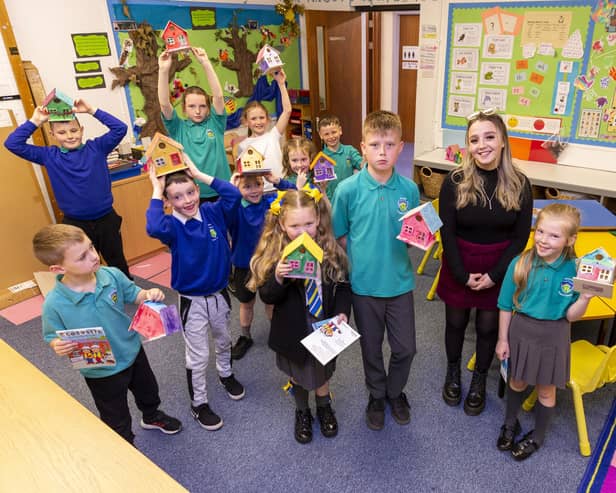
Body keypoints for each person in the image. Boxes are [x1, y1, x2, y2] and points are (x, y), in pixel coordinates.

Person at [34, 224, 181, 444]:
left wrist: (148, 293)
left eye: (91, 247)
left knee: (148, 391)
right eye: (82, 256)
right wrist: (57, 344)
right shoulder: (54, 304)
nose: (93, 256)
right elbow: (51, 335)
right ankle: (124, 444)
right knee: (115, 415)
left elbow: (134, 293)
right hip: (100, 370)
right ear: (58, 269)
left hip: (131, 350)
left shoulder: (110, 275)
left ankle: (151, 416)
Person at [437, 110, 533, 416]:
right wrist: (462, 274)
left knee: (488, 326)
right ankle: (453, 371)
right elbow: (446, 231)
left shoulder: (521, 183)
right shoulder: (454, 181)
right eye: (474, 139)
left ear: (503, 140)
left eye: (489, 137)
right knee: (455, 322)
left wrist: (495, 275)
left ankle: (479, 378)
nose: (482, 145)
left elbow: (520, 239)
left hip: (499, 264)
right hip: (459, 262)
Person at [332, 110, 420, 431]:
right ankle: (376, 395)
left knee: (405, 348)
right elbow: (340, 236)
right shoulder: (347, 190)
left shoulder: (409, 190)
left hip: (399, 284)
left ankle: (395, 392)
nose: (382, 152)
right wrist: (359, 263)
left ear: (401, 147)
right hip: (364, 286)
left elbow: (414, 234)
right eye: (375, 144)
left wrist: (421, 238)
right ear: (363, 147)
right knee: (371, 348)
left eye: (389, 144)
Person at [146, 157, 244, 431]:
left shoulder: (213, 212)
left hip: (220, 294)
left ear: (198, 191)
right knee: (198, 355)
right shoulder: (171, 226)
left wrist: (200, 174)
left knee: (224, 340)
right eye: (177, 197)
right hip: (193, 302)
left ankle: (226, 374)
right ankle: (198, 403)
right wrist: (156, 189)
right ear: (168, 202)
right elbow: (152, 227)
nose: (187, 200)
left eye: (190, 192)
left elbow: (234, 194)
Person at [248, 188, 351, 444]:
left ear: (318, 220)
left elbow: (343, 286)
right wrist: (280, 277)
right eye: (295, 225)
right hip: (293, 330)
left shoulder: (328, 251)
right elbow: (268, 297)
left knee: (322, 373)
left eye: (309, 223)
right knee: (297, 374)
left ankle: (324, 405)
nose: (303, 231)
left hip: (322, 327)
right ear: (282, 224)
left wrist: (341, 313)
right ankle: (302, 411)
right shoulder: (275, 256)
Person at [495, 203, 593, 461]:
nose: (544, 240)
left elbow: (571, 315)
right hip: (521, 331)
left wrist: (585, 298)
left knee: (546, 390)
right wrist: (502, 339)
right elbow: (505, 305)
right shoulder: (520, 262)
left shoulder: (575, 270)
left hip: (554, 335)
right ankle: (509, 422)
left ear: (570, 239)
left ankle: (537, 436)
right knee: (516, 380)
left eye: (554, 235)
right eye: (540, 232)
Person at [5, 99, 131, 278]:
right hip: (74, 225)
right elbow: (13, 143)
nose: (70, 136)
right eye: (62, 132)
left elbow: (120, 128)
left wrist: (91, 110)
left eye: (74, 130)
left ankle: (128, 293)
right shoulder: (49, 155)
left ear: (81, 131)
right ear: (53, 134)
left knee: (117, 261)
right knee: (84, 267)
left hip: (106, 219)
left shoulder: (97, 148)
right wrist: (36, 120)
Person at [227, 171, 295, 360]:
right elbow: (222, 206)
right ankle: (245, 336)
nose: (254, 190)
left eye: (257, 184)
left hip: (268, 263)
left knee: (271, 302)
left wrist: (276, 181)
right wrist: (230, 189)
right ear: (238, 189)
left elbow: (295, 194)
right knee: (246, 303)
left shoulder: (269, 202)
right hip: (243, 264)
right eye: (246, 187)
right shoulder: (235, 209)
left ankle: (278, 333)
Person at [158, 46, 230, 202]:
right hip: (192, 195)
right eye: (192, 106)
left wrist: (205, 63)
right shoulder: (178, 127)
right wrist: (163, 71)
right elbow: (164, 104)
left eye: (202, 106)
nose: (198, 111)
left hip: (221, 190)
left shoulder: (215, 123)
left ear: (208, 108)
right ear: (184, 108)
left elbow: (218, 96)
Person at [235, 69, 292, 194]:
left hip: (281, 187)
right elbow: (241, 172)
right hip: (260, 192)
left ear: (267, 119)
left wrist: (281, 84)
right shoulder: (243, 146)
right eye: (253, 119)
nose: (258, 122)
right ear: (246, 122)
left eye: (261, 117)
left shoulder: (273, 135)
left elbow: (287, 110)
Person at [317, 115, 363, 201]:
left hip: (351, 197)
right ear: (321, 135)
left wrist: (367, 155)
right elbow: (323, 185)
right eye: (326, 134)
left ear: (340, 131)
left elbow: (362, 165)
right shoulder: (321, 158)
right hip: (332, 200)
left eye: (334, 132)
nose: (331, 137)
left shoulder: (350, 150)